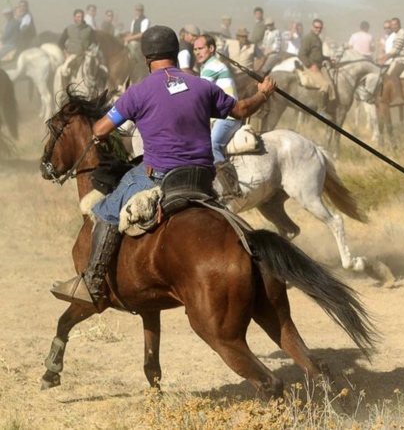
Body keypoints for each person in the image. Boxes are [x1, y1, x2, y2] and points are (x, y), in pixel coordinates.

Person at [50, 25, 276, 309]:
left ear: (147, 58)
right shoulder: (202, 85)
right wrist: (264, 93)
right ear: (176, 53)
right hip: (203, 177)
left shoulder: (139, 91)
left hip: (160, 176)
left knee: (105, 209)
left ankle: (92, 283)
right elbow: (242, 110)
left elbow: (100, 130)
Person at [193, 33, 245, 199]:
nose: (197, 52)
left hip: (229, 117)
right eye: (195, 49)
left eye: (200, 48)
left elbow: (199, 95)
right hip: (220, 117)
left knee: (213, 144)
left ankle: (231, 187)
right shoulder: (209, 65)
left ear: (211, 49)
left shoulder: (212, 67)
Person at [299, 18, 335, 112]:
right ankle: (321, 110)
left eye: (320, 28)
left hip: (319, 66)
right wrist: (310, 65)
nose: (318, 29)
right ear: (312, 27)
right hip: (310, 67)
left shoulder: (317, 38)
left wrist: (328, 59)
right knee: (325, 85)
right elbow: (301, 54)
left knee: (332, 84)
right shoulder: (308, 38)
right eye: (316, 27)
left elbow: (318, 55)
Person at [58, 8, 96, 81]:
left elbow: (94, 42)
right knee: (64, 70)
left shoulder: (89, 29)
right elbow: (61, 42)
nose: (80, 19)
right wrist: (66, 53)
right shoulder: (69, 28)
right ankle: (65, 89)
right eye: (78, 17)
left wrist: (90, 50)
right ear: (74, 18)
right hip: (72, 55)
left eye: (81, 17)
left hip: (85, 55)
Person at [381, 17, 404, 104]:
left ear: (399, 24)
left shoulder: (401, 34)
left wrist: (384, 57)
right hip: (398, 59)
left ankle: (399, 97)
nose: (393, 26)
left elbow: (396, 49)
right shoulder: (397, 34)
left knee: (393, 75)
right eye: (392, 25)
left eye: (395, 24)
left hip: (403, 59)